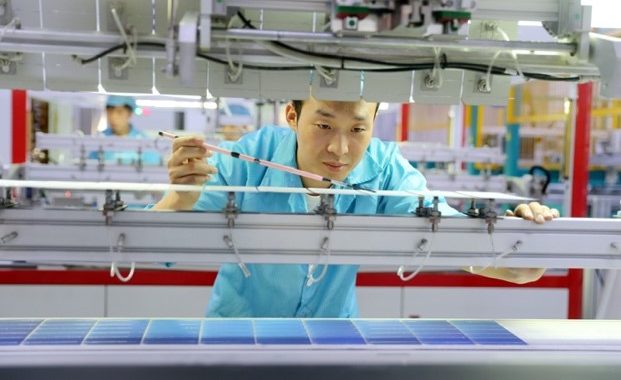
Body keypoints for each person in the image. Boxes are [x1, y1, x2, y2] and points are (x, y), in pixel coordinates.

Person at [152, 96, 559, 318]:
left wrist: (516, 253)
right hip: (237, 342)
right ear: (292, 115)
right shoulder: (247, 158)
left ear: (376, 120)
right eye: (324, 125)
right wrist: (178, 198)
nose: (340, 150)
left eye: (358, 129)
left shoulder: (383, 170)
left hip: (333, 344)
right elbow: (160, 247)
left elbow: (445, 232)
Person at [90, 95, 160, 165]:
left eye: (119, 112)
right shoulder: (99, 139)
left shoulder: (144, 142)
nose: (113, 117)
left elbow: (152, 168)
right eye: (110, 112)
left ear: (129, 114)